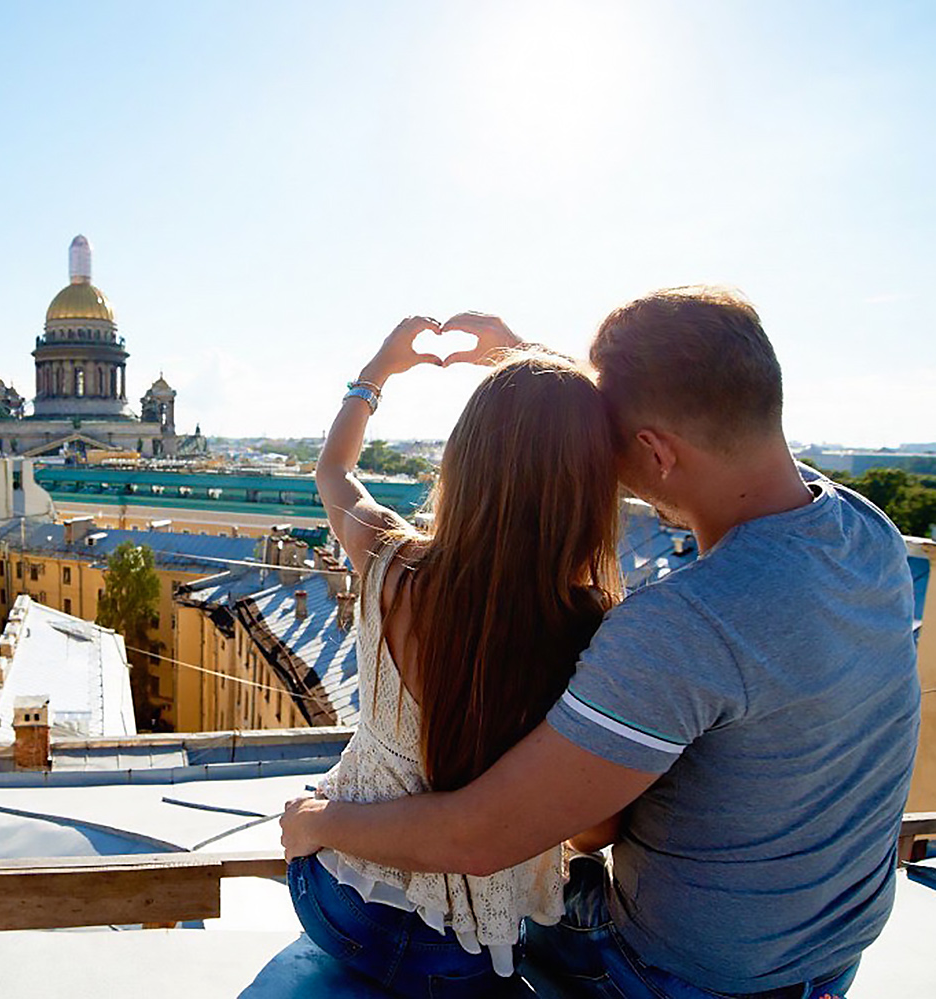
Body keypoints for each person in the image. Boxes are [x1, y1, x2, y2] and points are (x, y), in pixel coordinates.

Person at [281, 287, 921, 998]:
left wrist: (320, 818)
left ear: (653, 449)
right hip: (830, 959)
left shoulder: (679, 626)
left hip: (678, 976)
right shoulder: (868, 533)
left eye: (608, 438)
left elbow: (486, 835)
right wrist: (529, 364)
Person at [289, 314, 625, 995]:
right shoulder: (594, 627)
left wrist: (376, 372)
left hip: (340, 901)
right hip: (474, 951)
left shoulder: (391, 560)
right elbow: (593, 833)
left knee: (313, 799)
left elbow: (333, 469)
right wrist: (524, 359)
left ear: (462, 460)